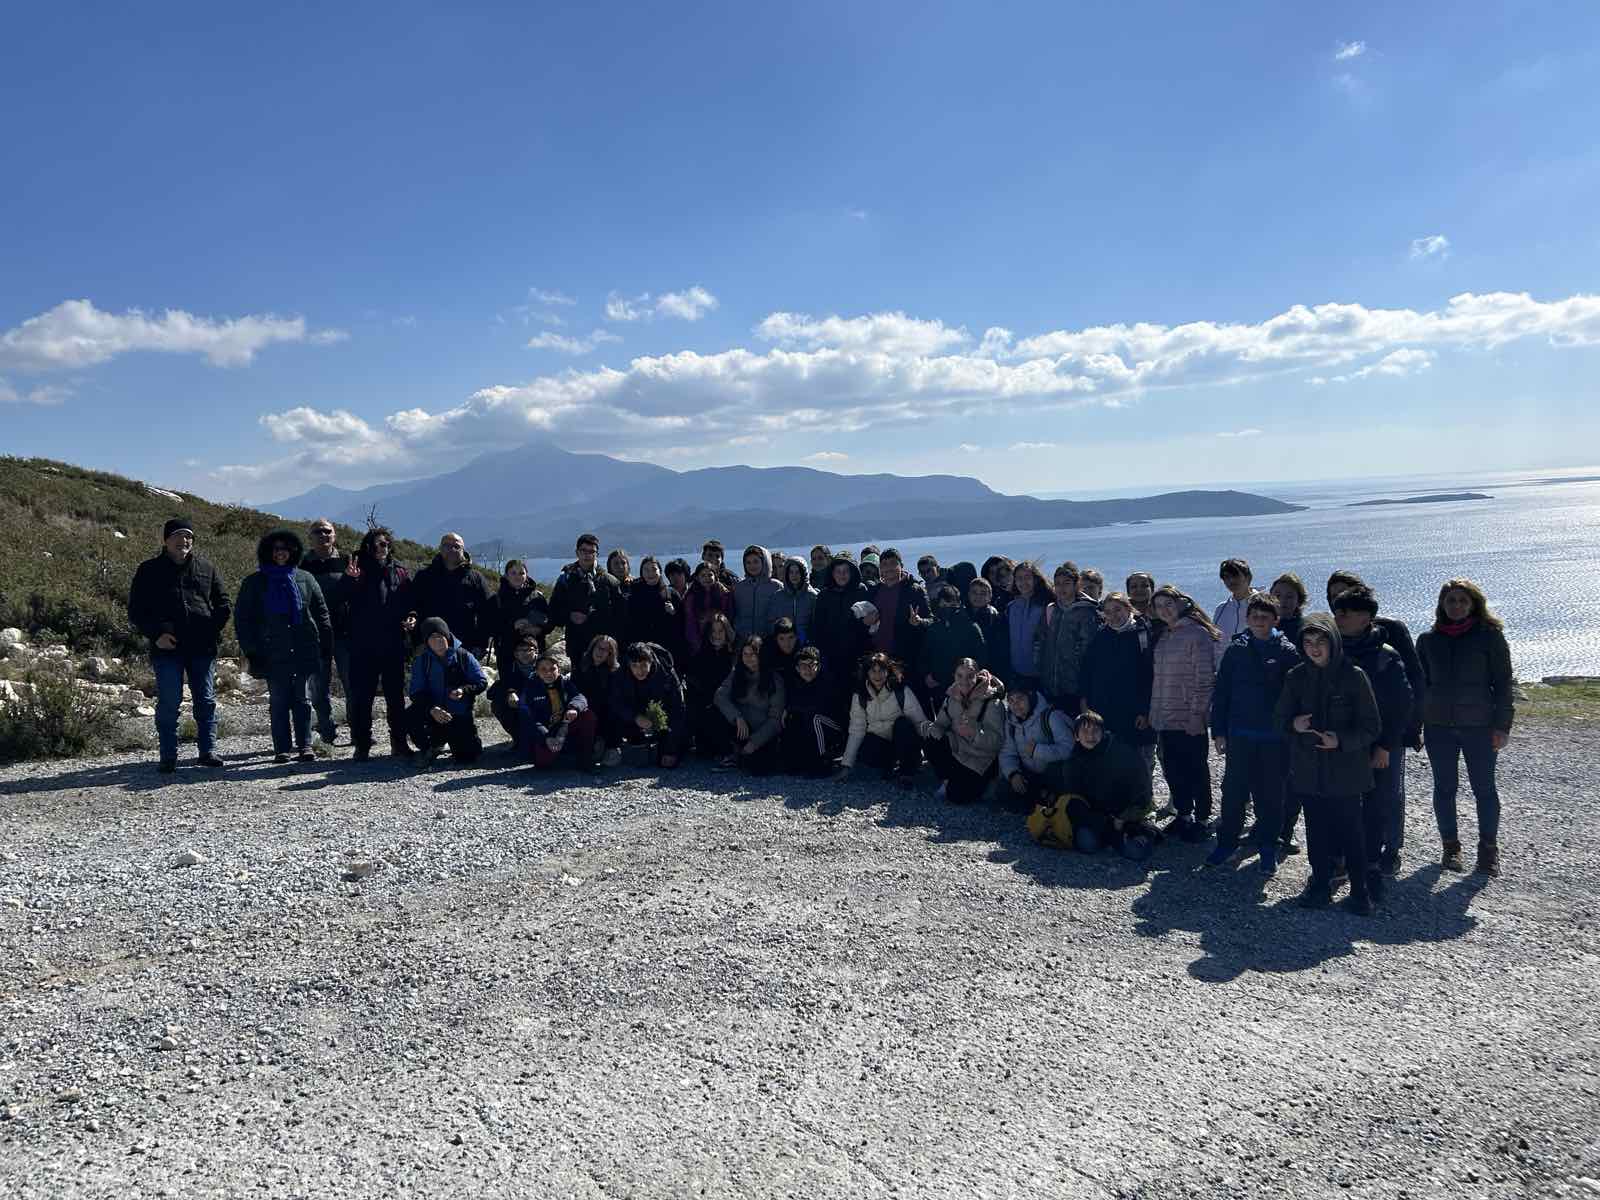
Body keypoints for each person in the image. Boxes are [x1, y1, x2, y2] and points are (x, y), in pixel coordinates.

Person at [1274, 615, 1383, 914]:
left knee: (1352, 833)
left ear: (1333, 641)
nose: (1315, 648)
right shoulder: (1296, 677)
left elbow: (1372, 726)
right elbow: (1279, 720)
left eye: (1321, 641)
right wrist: (1293, 724)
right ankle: (1320, 885)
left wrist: (1341, 741)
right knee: (1316, 831)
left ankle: (1360, 892)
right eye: (1308, 642)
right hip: (1309, 770)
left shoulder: (1354, 675)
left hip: (1346, 771)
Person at [1326, 568, 1427, 868]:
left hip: (1383, 738)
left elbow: (1407, 693)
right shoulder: (1330, 646)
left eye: (1345, 601)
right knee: (1344, 797)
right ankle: (1345, 857)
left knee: (1385, 795)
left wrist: (1403, 733)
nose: (1338, 610)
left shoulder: (1388, 646)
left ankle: (1386, 853)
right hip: (1344, 739)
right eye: (1334, 601)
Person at [1417, 578, 1514, 877]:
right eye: (1451, 600)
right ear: (1442, 605)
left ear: (1473, 604)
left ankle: (1488, 851)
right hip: (1438, 727)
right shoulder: (1428, 641)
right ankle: (1451, 848)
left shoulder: (1490, 637)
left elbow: (1503, 684)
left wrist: (1502, 726)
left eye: (1462, 600)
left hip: (1480, 727)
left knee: (1484, 789)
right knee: (1444, 788)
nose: (1456, 606)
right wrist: (1415, 724)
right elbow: (1419, 686)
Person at [128, 516, 231, 774]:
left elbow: (223, 603)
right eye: (178, 536)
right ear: (166, 540)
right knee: (169, 702)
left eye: (188, 537)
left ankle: (208, 751)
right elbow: (136, 611)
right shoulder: (148, 570)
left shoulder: (206, 567)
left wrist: (211, 630)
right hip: (167, 648)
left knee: (205, 700)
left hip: (202, 648)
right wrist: (156, 635)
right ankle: (168, 756)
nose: (184, 541)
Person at [1207, 594, 1299, 874]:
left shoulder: (1288, 652)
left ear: (1276, 620)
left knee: (1271, 795)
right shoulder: (1236, 651)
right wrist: (1218, 731)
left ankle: (1268, 846)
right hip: (1240, 735)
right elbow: (1222, 693)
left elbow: (1297, 696)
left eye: (1265, 616)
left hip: (1274, 738)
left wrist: (1293, 730)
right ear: (1247, 619)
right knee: (1233, 792)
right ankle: (1227, 842)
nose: (1259, 620)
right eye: (1254, 616)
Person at [234, 529, 334, 765]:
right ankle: (282, 749)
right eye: (276, 549)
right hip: (271, 651)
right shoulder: (254, 582)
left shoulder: (306, 578)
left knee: (302, 699)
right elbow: (243, 619)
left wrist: (325, 644)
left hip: (302, 648)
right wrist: (251, 651)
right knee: (278, 701)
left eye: (285, 549)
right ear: (267, 552)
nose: (281, 553)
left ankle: (305, 745)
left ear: (293, 551)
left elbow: (321, 613)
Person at [1150, 585, 1222, 842]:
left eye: (1168, 604)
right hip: (1165, 716)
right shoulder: (1164, 635)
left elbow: (1205, 679)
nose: (1164, 610)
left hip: (1188, 717)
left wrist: (1197, 715)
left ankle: (1202, 819)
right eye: (1159, 606)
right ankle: (1184, 815)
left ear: (1180, 603)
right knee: (1173, 769)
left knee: (1196, 770)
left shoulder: (1197, 634)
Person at [339, 527, 416, 761]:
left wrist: (412, 616)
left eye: (384, 544)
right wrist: (349, 579)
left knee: (396, 697)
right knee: (362, 698)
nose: (380, 548)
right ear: (367, 547)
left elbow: (410, 602)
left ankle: (399, 743)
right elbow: (341, 598)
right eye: (375, 545)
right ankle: (362, 744)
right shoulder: (357, 569)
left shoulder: (400, 571)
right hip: (363, 644)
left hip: (393, 643)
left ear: (390, 546)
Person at [1061, 711, 1158, 860]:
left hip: (1126, 815)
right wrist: (1105, 822)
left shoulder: (1120, 751)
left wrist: (1124, 817)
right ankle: (1114, 838)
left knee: (1137, 852)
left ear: (1103, 732)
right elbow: (1074, 799)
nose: (1090, 736)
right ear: (1076, 736)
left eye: (1095, 731)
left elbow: (1142, 789)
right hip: (1098, 819)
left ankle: (1136, 833)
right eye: (1085, 731)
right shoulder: (1073, 761)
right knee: (1087, 844)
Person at [1078, 591, 1156, 771]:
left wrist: (1145, 711)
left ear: (1128, 609)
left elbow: (1150, 676)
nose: (1113, 615)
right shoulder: (1101, 635)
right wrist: (1084, 700)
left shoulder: (1142, 634)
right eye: (1108, 612)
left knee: (1139, 764)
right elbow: (1087, 670)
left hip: (1133, 713)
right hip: (1104, 709)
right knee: (1108, 761)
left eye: (1117, 609)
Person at [920, 658, 1006, 805]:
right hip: (958, 751)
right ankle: (948, 780)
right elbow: (941, 723)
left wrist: (974, 732)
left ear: (978, 676)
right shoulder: (952, 696)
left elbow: (998, 742)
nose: (964, 681)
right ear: (954, 676)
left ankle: (985, 783)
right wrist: (930, 728)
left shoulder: (992, 702)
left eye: (970, 676)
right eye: (959, 676)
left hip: (980, 759)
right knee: (931, 740)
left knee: (958, 797)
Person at [405, 617, 488, 765]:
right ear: (426, 641)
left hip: (458, 713)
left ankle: (464, 741)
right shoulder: (422, 661)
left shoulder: (464, 656)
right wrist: (432, 708)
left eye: (440, 636)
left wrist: (463, 690)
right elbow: (416, 692)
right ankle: (430, 747)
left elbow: (481, 682)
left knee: (467, 758)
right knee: (410, 715)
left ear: (447, 636)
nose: (437, 640)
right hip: (433, 712)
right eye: (432, 637)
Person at [837, 652, 927, 788]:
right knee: (865, 748)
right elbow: (856, 729)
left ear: (888, 672)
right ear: (867, 673)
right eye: (873, 671)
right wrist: (846, 765)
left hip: (903, 739)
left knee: (904, 724)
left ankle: (907, 772)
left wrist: (930, 745)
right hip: (881, 741)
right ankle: (889, 765)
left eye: (881, 671)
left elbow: (919, 722)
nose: (877, 675)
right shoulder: (860, 695)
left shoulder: (901, 690)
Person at [300, 518, 352, 746]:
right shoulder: (302, 564)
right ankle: (326, 732)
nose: (323, 535)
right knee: (319, 687)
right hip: (315, 635)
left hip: (345, 632)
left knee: (352, 683)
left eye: (327, 531)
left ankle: (359, 730)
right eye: (318, 532)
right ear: (310, 537)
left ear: (334, 535)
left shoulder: (347, 561)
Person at [411, 532, 493, 661]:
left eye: (457, 546)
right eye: (447, 546)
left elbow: (487, 614)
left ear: (463, 550)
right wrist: (417, 642)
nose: (452, 549)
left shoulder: (476, 579)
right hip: (429, 647)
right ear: (440, 548)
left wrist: (480, 645)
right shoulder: (424, 576)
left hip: (465, 648)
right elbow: (413, 608)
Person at [516, 648, 599, 772]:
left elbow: (579, 697)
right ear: (537, 672)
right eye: (543, 669)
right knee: (543, 763)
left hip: (563, 728)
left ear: (558, 670)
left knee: (587, 715)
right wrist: (546, 737)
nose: (548, 673)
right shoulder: (530, 688)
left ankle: (585, 758)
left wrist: (573, 708)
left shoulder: (564, 683)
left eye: (552, 669)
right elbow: (528, 717)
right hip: (543, 731)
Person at [609, 641, 689, 768]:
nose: (639, 671)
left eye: (643, 665)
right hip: (634, 716)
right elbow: (616, 702)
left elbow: (678, 709)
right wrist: (635, 717)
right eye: (634, 666)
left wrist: (671, 751)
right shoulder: (621, 673)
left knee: (669, 755)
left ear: (651, 662)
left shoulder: (667, 673)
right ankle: (613, 746)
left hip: (662, 718)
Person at [714, 635, 786, 774]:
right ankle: (732, 753)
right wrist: (737, 717)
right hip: (741, 728)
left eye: (753, 654)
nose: (748, 658)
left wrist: (754, 742)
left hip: (762, 733)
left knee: (756, 768)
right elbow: (720, 695)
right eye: (745, 654)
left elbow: (775, 720)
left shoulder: (774, 680)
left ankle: (743, 756)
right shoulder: (737, 673)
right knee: (714, 714)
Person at [1035, 561, 1100, 712]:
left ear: (1076, 585)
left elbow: (1088, 651)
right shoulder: (1051, 610)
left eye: (1067, 583)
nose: (1061, 588)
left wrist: (1084, 684)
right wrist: (1040, 667)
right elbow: (1040, 641)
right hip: (1050, 684)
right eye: (1057, 584)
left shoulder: (1088, 612)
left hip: (1076, 688)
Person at [810, 555, 871, 715]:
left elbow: (868, 623)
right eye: (838, 571)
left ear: (852, 573)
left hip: (857, 657)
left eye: (846, 571)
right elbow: (818, 628)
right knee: (836, 701)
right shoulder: (824, 595)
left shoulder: (861, 591)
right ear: (832, 573)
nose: (842, 575)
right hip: (832, 658)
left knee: (859, 701)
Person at [996, 686, 1074, 811]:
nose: (1016, 705)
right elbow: (1007, 753)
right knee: (1003, 789)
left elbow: (1069, 749)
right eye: (1011, 701)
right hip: (1030, 774)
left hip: (1053, 774)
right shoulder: (1011, 723)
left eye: (1020, 699)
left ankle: (1045, 799)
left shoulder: (1050, 716)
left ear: (1030, 698)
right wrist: (1013, 774)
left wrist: (1037, 751)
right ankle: (1043, 796)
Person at [548, 534, 624, 652]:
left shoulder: (609, 581)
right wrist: (569, 615)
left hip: (603, 647)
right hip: (576, 644)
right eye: (583, 550)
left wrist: (592, 617)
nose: (587, 555)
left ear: (597, 554)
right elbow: (553, 611)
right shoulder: (566, 580)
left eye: (591, 551)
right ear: (577, 552)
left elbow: (620, 616)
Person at [918, 583, 988, 709]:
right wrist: (927, 675)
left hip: (964, 688)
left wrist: (969, 681)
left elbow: (981, 657)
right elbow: (925, 653)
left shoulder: (971, 627)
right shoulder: (934, 628)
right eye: (943, 605)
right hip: (937, 687)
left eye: (950, 604)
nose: (946, 608)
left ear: (959, 603)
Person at [780, 646, 843, 777]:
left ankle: (822, 760)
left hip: (832, 726)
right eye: (803, 666)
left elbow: (818, 707)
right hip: (810, 725)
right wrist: (788, 709)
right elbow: (795, 705)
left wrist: (793, 707)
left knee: (815, 718)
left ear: (818, 666)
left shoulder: (826, 681)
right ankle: (795, 760)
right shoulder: (796, 683)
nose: (807, 670)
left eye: (811, 665)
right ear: (797, 668)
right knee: (792, 718)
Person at [685, 611, 737, 758]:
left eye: (721, 631)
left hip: (727, 706)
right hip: (705, 706)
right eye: (713, 631)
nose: (717, 635)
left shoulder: (733, 656)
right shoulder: (700, 655)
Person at [573, 634, 623, 765]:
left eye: (606, 650)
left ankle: (611, 746)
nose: (601, 652)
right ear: (592, 648)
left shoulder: (614, 671)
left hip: (606, 714)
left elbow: (615, 699)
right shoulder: (581, 666)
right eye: (599, 648)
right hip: (584, 711)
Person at [492, 559, 549, 669]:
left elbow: (549, 622)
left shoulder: (537, 597)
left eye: (521, 573)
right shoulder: (497, 599)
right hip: (507, 653)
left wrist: (538, 629)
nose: (517, 576)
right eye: (513, 573)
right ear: (506, 575)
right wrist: (513, 626)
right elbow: (489, 626)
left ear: (527, 575)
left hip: (534, 652)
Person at [488, 635, 543, 742]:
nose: (524, 654)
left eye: (528, 650)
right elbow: (494, 691)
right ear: (515, 653)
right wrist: (510, 692)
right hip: (520, 703)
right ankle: (519, 739)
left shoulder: (545, 665)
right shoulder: (509, 668)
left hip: (542, 702)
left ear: (536, 651)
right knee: (498, 704)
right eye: (520, 650)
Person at [1006, 560, 1049, 693]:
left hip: (1041, 675)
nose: (1023, 582)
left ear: (1035, 579)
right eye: (1019, 578)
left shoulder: (1046, 605)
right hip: (1016, 673)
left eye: (1027, 577)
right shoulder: (1011, 607)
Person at [624, 556, 679, 652]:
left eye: (654, 569)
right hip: (641, 649)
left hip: (666, 648)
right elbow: (627, 622)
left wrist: (674, 613)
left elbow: (683, 622)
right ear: (641, 573)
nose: (650, 573)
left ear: (660, 572)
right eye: (646, 570)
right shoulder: (633, 593)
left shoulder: (671, 593)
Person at [964, 576, 1011, 684]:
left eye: (983, 593)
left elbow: (1001, 651)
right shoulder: (962, 615)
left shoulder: (997, 618)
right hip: (965, 670)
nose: (978, 596)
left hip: (989, 672)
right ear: (969, 594)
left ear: (990, 596)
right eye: (974, 592)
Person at [682, 560, 734, 654]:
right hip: (700, 640)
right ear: (697, 578)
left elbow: (729, 615)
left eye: (710, 575)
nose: (707, 578)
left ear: (715, 576)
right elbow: (690, 621)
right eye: (703, 575)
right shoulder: (692, 596)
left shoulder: (723, 593)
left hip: (721, 640)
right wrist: (696, 644)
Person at [732, 545, 782, 640]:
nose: (752, 566)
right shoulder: (739, 587)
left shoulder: (776, 586)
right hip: (743, 640)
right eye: (748, 562)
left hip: (768, 639)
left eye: (756, 561)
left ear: (764, 562)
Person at [1212, 558, 1255, 667]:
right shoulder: (1221, 609)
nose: (1231, 581)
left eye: (1235, 575)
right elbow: (1216, 643)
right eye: (1226, 577)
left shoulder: (1262, 604)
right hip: (1224, 672)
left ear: (1248, 577)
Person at [770, 558, 819, 642]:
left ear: (803, 574)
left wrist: (806, 639)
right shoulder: (778, 596)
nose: (794, 575)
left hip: (806, 642)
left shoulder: (812, 596)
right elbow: (771, 621)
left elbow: (816, 623)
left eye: (797, 572)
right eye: (791, 572)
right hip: (784, 643)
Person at [1269, 572, 1308, 649]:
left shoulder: (1305, 628)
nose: (1282, 600)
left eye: (1289, 596)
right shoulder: (1261, 625)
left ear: (1299, 601)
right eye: (1277, 595)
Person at [1125, 571, 1161, 649]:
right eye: (1134, 586)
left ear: (1152, 590)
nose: (1139, 589)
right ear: (1128, 592)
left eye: (1144, 586)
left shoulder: (1164, 614)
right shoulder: (1121, 617)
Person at [762, 617, 803, 681]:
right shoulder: (767, 654)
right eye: (781, 639)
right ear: (776, 639)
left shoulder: (803, 653)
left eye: (791, 637)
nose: (787, 643)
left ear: (796, 637)